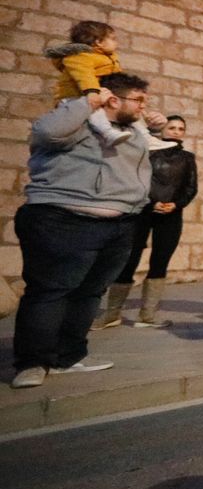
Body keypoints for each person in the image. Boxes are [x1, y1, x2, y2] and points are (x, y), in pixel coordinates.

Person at [11, 74, 155, 390]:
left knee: (89, 293)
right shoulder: (79, 120)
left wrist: (153, 126)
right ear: (113, 99)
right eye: (139, 99)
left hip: (118, 226)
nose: (145, 106)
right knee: (50, 292)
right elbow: (46, 132)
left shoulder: (131, 131)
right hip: (64, 219)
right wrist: (89, 101)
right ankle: (33, 362)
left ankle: (67, 356)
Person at [98, 114, 197, 329]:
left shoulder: (187, 157)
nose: (176, 132)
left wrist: (176, 204)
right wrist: (152, 203)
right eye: (172, 127)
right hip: (141, 212)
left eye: (181, 129)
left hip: (171, 216)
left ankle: (147, 316)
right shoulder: (145, 150)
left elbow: (190, 188)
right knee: (128, 260)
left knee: (159, 262)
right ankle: (112, 313)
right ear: (162, 129)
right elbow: (137, 180)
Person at [44, 20, 128, 147]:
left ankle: (145, 136)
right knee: (96, 111)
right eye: (113, 39)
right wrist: (92, 92)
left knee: (128, 106)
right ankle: (107, 133)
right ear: (98, 42)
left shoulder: (108, 57)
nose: (117, 42)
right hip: (75, 96)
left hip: (96, 93)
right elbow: (84, 74)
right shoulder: (80, 56)